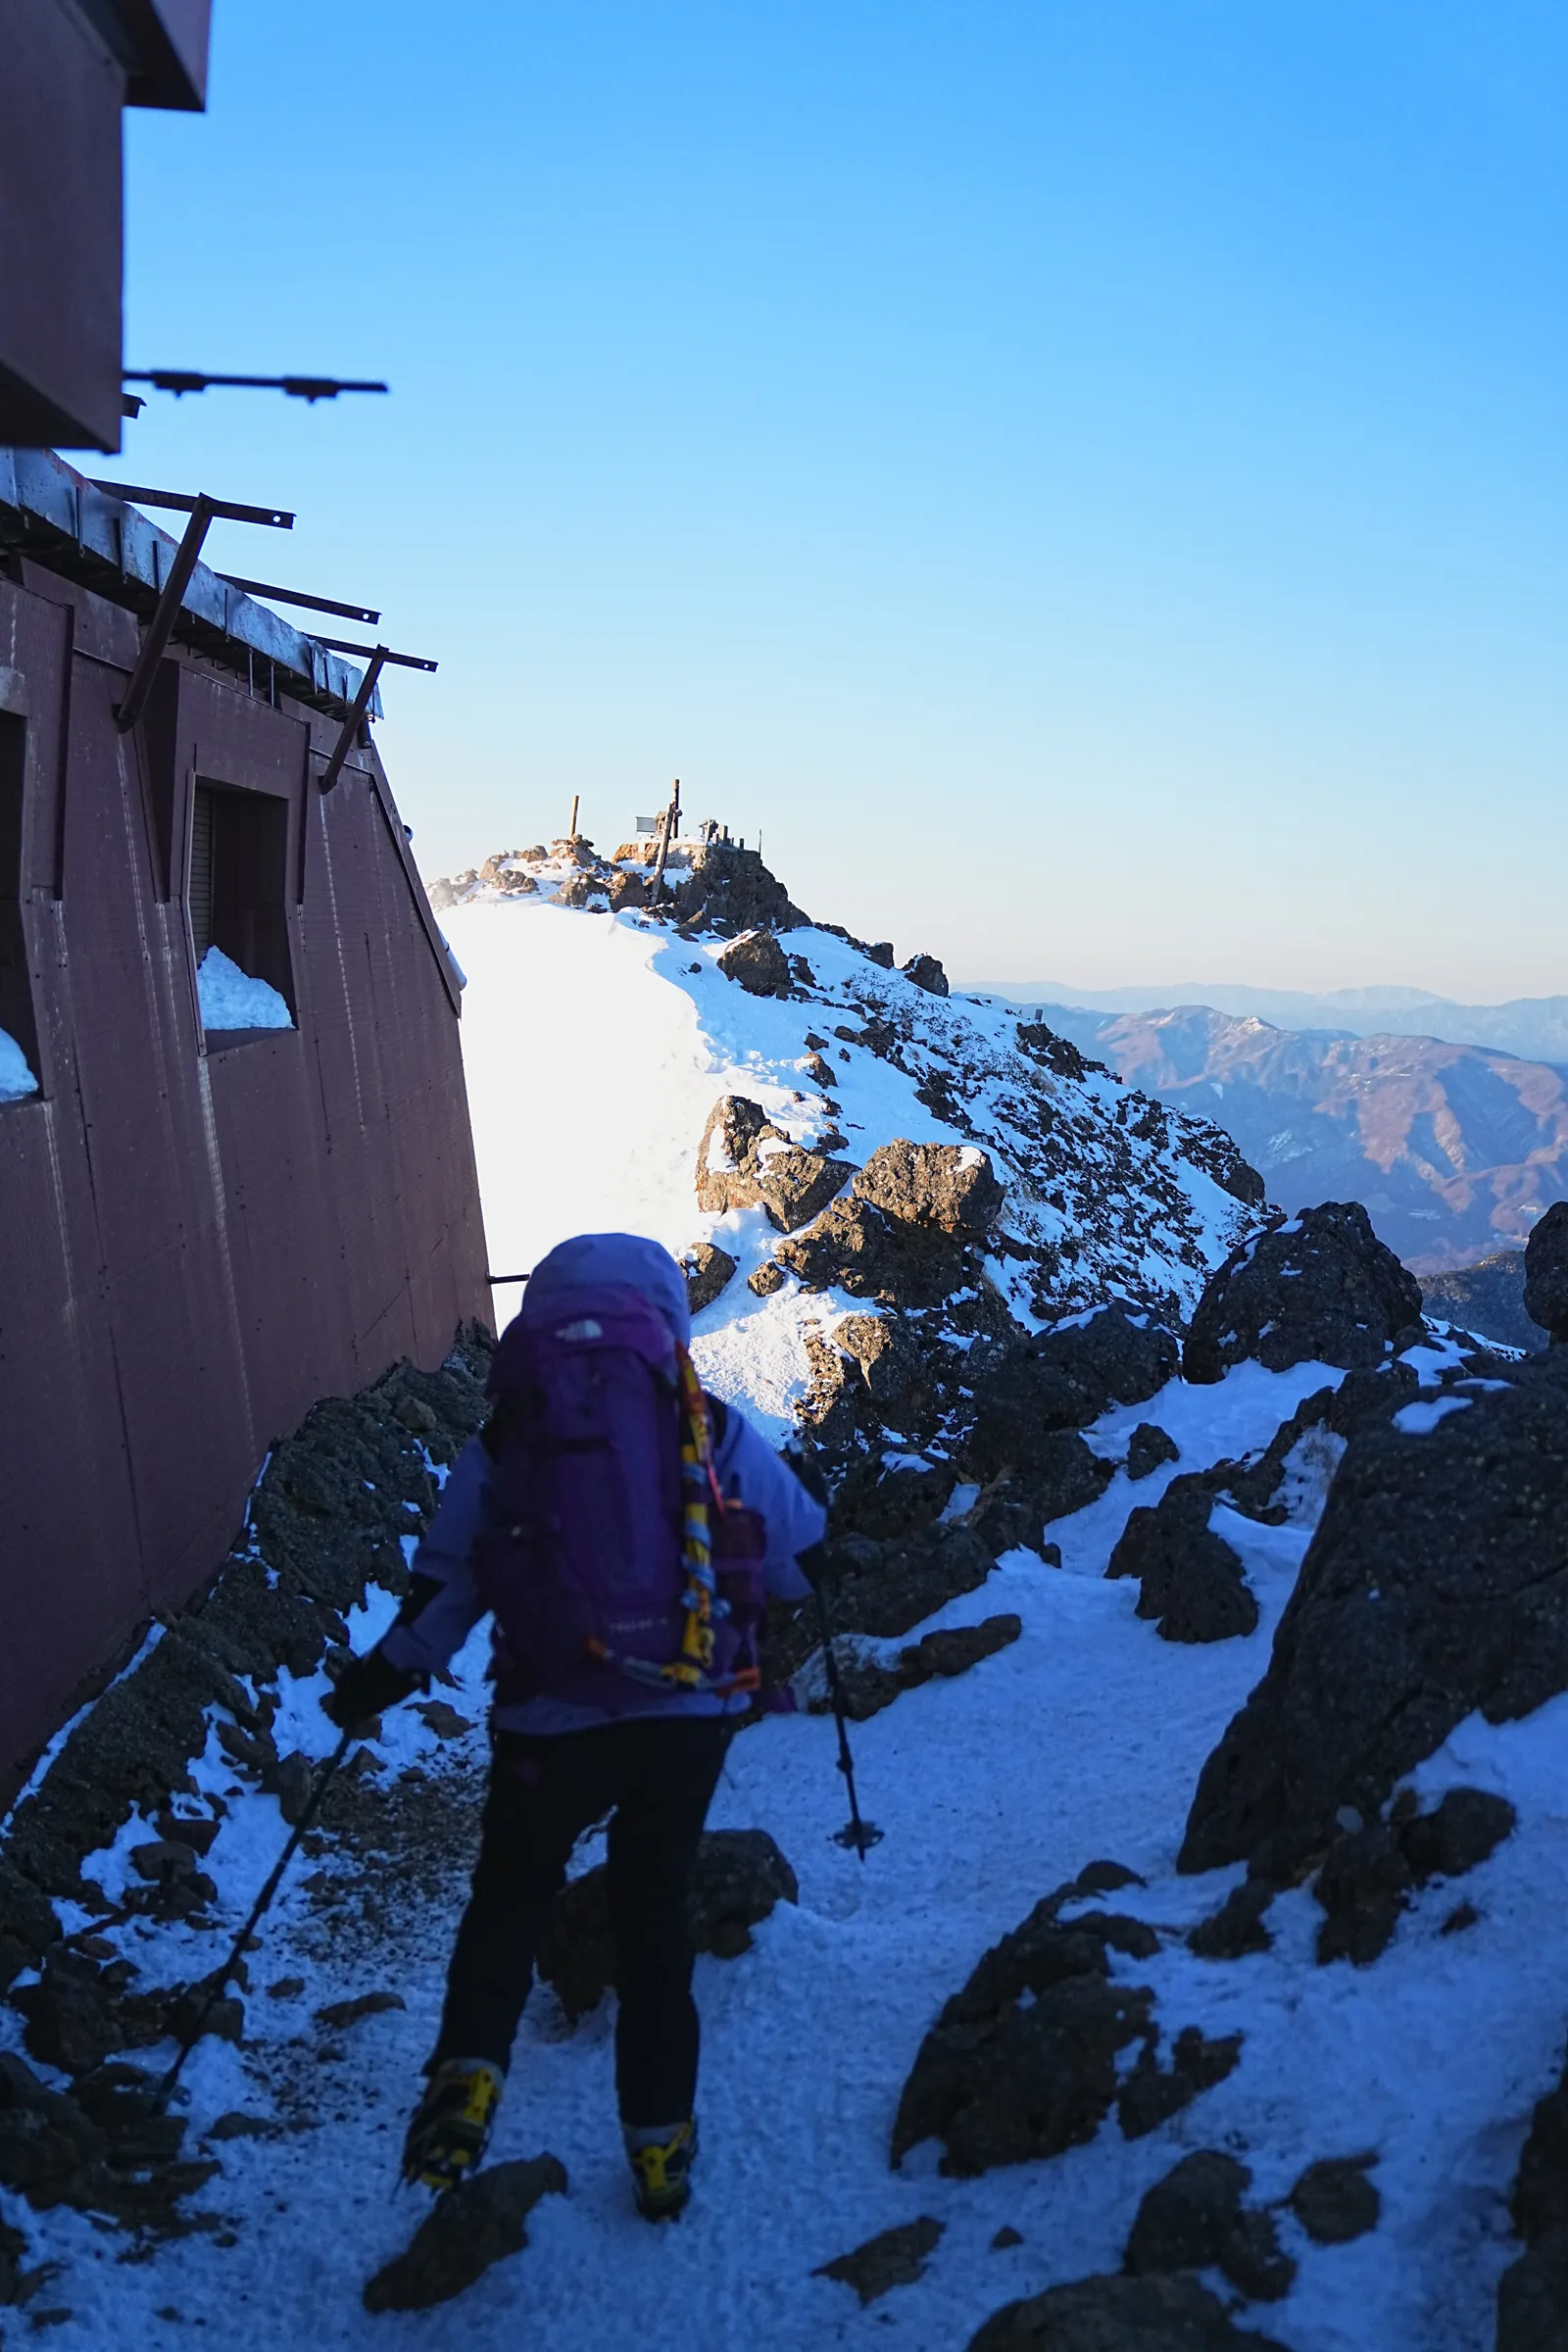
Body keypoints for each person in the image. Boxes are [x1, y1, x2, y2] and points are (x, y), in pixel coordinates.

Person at [323, 1232, 826, 2220]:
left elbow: (446, 1590)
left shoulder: (509, 1435)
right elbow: (794, 1553)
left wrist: (377, 1681)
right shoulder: (700, 1425)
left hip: (545, 1721)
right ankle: (658, 2147)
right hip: (680, 1720)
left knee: (508, 1901)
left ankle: (468, 2073)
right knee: (653, 1924)